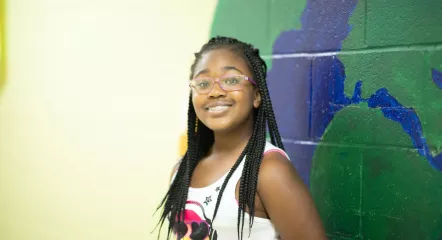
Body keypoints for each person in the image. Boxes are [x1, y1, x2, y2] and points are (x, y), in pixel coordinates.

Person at [156, 36, 326, 240]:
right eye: (203, 83)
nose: (215, 91)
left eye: (231, 80)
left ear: (256, 96)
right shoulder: (181, 169)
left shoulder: (268, 170)